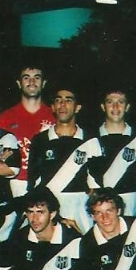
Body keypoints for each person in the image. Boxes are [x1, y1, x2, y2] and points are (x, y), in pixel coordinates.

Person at [25, 87, 94, 231]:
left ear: (77, 107)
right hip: (49, 208)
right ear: (53, 107)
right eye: (58, 100)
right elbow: (33, 184)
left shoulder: (90, 140)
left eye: (68, 100)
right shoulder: (40, 140)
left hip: (81, 207)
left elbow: (96, 184)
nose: (62, 105)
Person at [84, 88, 136, 216]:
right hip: (100, 203)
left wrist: (126, 190)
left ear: (127, 107)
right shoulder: (91, 138)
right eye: (110, 102)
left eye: (120, 102)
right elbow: (87, 177)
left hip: (129, 202)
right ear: (103, 106)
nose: (115, 107)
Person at [0, 63, 55, 197]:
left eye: (37, 77)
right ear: (19, 83)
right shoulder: (5, 118)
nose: (32, 82)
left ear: (44, 83)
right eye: (26, 77)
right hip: (13, 183)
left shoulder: (54, 116)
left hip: (46, 183)